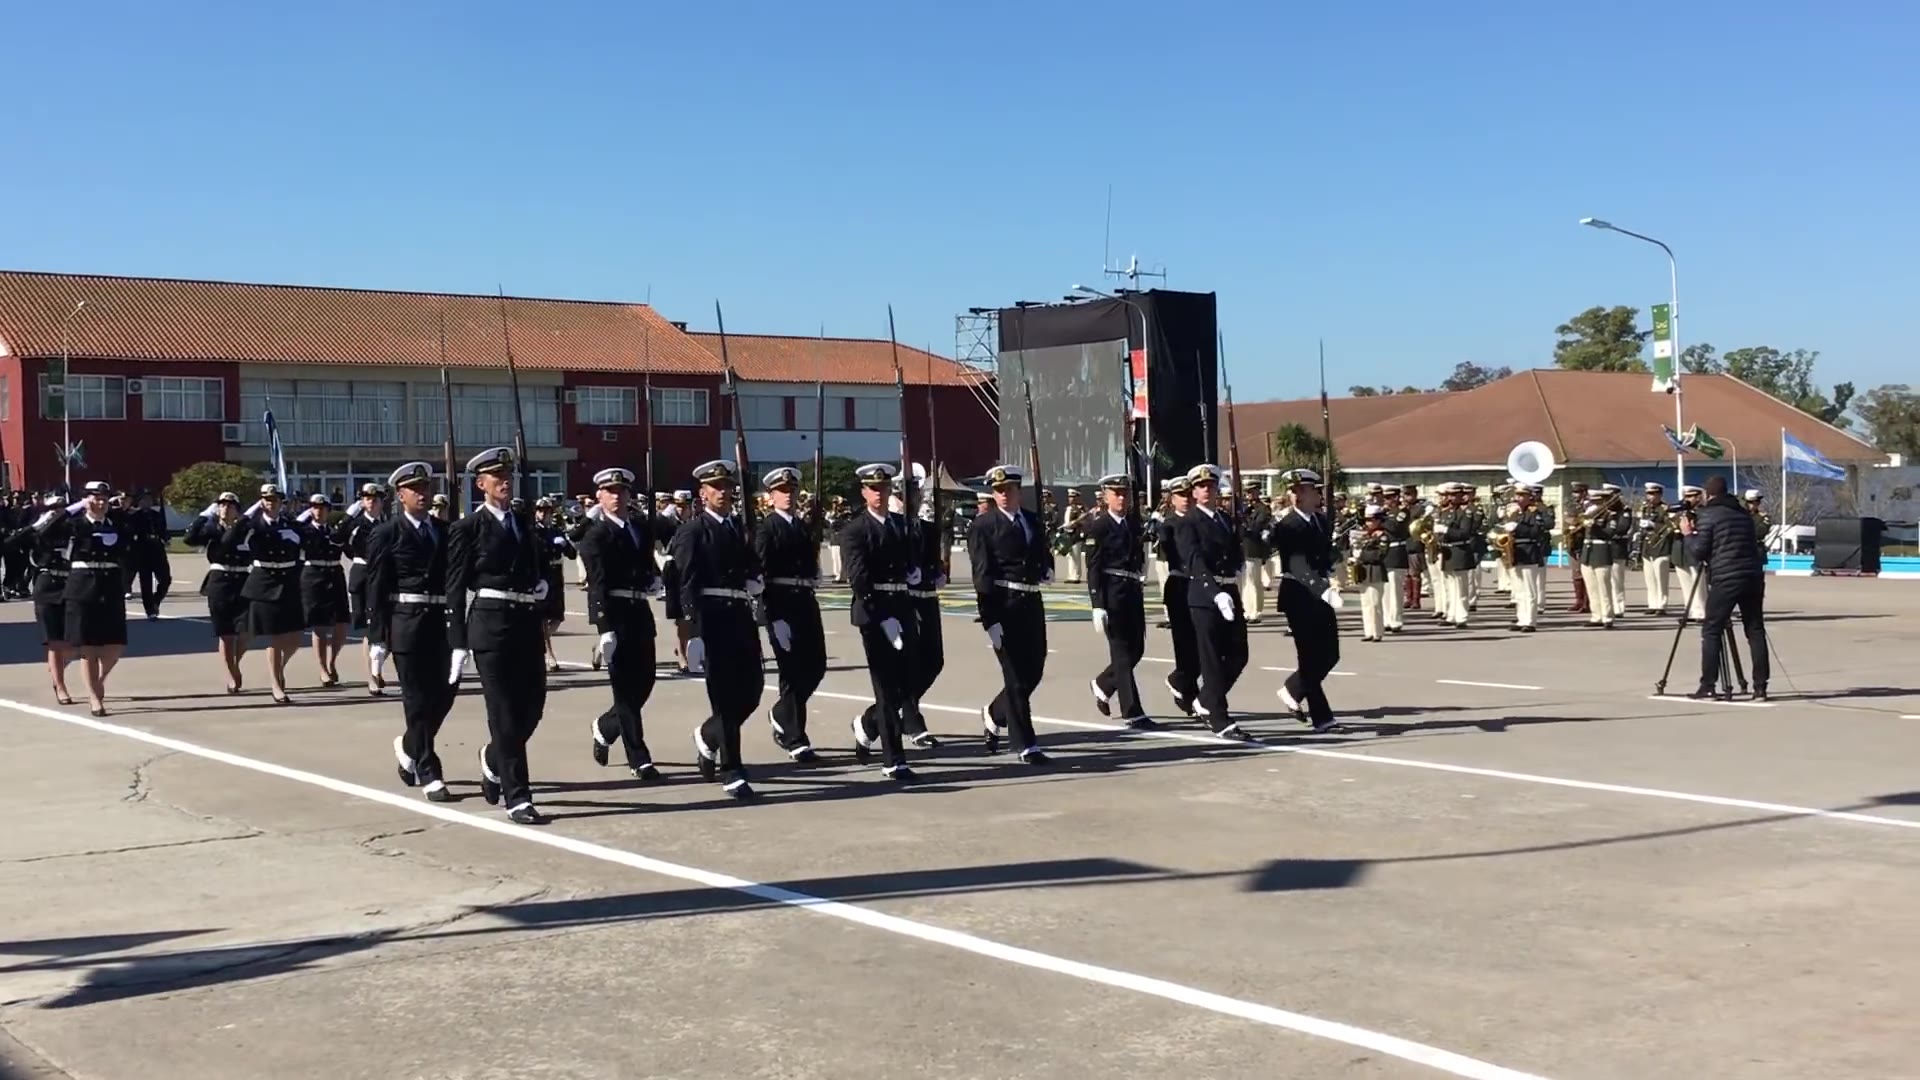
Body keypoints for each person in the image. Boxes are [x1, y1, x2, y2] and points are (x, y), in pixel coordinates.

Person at [446, 447, 551, 824]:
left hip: (525, 622)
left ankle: (493, 759)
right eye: (497, 477)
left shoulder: (522, 522)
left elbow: (535, 567)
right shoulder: (468, 528)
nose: (505, 482)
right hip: (490, 625)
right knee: (504, 714)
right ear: (481, 485)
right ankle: (519, 797)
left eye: (508, 476)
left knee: (533, 707)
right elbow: (455, 587)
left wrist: (540, 584)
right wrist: (457, 641)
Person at [671, 460, 765, 799]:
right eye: (716, 487)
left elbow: (751, 563)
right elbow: (685, 583)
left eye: (727, 487)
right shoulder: (694, 531)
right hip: (712, 619)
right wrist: (692, 631)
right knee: (724, 698)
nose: (723, 492)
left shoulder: (738, 527)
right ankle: (732, 769)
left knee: (753, 689)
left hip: (741, 615)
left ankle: (710, 736)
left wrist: (755, 578)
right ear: (703, 493)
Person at [365, 462, 457, 803]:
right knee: (417, 700)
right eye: (415, 488)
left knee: (446, 694)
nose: (422, 493)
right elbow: (375, 585)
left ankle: (408, 744)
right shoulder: (387, 532)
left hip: (440, 622)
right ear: (400, 495)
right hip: (406, 621)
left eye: (426, 487)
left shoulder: (445, 531)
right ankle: (429, 768)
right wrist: (377, 636)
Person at [578, 467, 669, 781]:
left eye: (622, 491)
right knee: (625, 693)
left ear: (630, 495)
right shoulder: (596, 535)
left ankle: (605, 726)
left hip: (639, 611)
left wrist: (655, 579)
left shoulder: (640, 529)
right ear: (599, 496)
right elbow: (597, 584)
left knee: (645, 684)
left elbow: (646, 563)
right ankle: (638, 758)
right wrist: (603, 627)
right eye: (610, 491)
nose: (617, 496)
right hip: (615, 611)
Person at [967, 464, 1052, 764]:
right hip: (1004, 603)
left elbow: (1042, 551)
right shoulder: (983, 525)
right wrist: (989, 619)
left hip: (1031, 603)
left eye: (1008, 490)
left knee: (1035, 671)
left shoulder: (1031, 519)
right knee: (1015, 677)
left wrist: (1048, 566)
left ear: (1018, 491)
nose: (1003, 495)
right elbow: (982, 575)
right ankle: (1025, 743)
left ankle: (994, 712)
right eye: (998, 491)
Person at [844, 462, 921, 781]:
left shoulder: (902, 525)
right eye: (873, 488)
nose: (879, 493)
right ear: (864, 492)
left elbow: (911, 559)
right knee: (887, 686)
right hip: (874, 612)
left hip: (902, 606)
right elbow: (859, 578)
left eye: (884, 488)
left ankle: (868, 724)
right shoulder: (855, 530)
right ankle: (894, 758)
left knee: (909, 682)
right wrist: (883, 616)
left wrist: (915, 572)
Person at [1175, 464, 1253, 740]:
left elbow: (1233, 551)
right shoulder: (1188, 521)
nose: (1206, 490)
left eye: (1210, 485)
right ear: (1193, 492)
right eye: (1201, 486)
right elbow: (1194, 560)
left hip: (1229, 591)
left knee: (1239, 655)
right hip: (1205, 596)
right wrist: (1214, 591)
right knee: (1211, 660)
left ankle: (1206, 699)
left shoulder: (1224, 519)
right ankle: (1219, 717)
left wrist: (1239, 563)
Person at [756, 466, 826, 764]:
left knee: (817, 667)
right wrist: (772, 615)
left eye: (792, 491)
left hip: (805, 601)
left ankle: (781, 712)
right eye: (782, 491)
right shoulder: (767, 528)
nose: (788, 496)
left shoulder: (801, 526)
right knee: (793, 672)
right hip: (781, 603)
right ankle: (795, 736)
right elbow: (760, 573)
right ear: (770, 497)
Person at [1679, 475, 1770, 701]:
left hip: (1726, 576)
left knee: (1712, 629)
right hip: (1752, 575)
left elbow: (1700, 551)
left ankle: (1708, 684)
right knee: (1755, 630)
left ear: (1708, 495)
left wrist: (1688, 534)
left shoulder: (1709, 515)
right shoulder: (1744, 514)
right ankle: (1760, 687)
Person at [47, 482, 132, 716]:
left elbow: (133, 534)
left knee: (116, 645)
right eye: (95, 498)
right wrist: (74, 508)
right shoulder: (73, 524)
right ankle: (94, 697)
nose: (101, 502)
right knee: (89, 647)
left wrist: (118, 509)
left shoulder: (116, 524)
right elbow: (49, 530)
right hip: (83, 585)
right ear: (86, 500)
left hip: (110, 584)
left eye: (105, 498)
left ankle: (98, 680)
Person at [1268, 469, 1340, 733]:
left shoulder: (1320, 520)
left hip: (1319, 591)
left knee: (1331, 654)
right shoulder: (1289, 525)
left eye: (1302, 490)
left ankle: (1292, 689)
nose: (1297, 495)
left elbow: (1322, 550)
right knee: (1309, 657)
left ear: (1315, 493)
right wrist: (1320, 586)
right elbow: (1297, 563)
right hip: (1299, 592)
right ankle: (1323, 718)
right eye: (1293, 491)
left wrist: (1333, 560)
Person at [1084, 473, 1153, 729]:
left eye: (1125, 493)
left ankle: (1103, 683)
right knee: (1123, 654)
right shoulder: (1099, 526)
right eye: (1116, 493)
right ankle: (1132, 711)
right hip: (1112, 593)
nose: (1122, 498)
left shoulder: (1133, 525)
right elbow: (1092, 567)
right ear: (1106, 497)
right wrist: (1097, 604)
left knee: (1137, 650)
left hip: (1132, 591)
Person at [230, 484, 305, 704]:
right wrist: (248, 514)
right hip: (264, 582)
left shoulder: (290, 523)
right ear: (261, 501)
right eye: (266, 499)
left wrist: (298, 535)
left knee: (295, 637)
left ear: (281, 503)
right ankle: (276, 682)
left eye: (274, 500)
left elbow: (311, 540)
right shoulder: (253, 525)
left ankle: (278, 667)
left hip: (288, 581)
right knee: (274, 636)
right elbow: (232, 537)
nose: (270, 503)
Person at [185, 492, 252, 692]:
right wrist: (203, 515)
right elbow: (190, 538)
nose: (225, 508)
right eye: (221, 505)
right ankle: (231, 673)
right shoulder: (211, 529)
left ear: (237, 510)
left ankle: (234, 663)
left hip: (243, 579)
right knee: (226, 634)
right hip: (220, 581)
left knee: (247, 631)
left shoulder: (245, 529)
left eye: (230, 505)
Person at [14, 494, 76, 704]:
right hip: (47, 583)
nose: (57, 511)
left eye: (61, 507)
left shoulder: (73, 528)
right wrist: (38, 526)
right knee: (54, 642)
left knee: (73, 642)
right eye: (53, 508)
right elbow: (11, 542)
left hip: (71, 584)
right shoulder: (38, 532)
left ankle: (58, 664)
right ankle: (60, 686)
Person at [336, 482, 388, 694]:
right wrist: (348, 516)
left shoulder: (388, 523)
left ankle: (378, 667)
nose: (371, 501)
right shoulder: (356, 524)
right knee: (369, 629)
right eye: (366, 498)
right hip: (364, 576)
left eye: (375, 498)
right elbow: (338, 539)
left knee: (386, 628)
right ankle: (372, 677)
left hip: (383, 578)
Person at [297, 494, 351, 687]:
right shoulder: (305, 530)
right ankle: (322, 668)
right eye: (314, 507)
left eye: (322, 507)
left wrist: (346, 535)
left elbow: (350, 552)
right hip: (314, 575)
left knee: (341, 623)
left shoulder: (335, 530)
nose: (318, 510)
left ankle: (332, 661)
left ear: (328, 510)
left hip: (335, 573)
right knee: (320, 626)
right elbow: (310, 544)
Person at [1157, 476, 1200, 716]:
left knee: (1202, 645)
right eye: (1181, 496)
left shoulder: (1200, 520)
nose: (1186, 499)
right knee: (1185, 644)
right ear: (1172, 499)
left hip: (1200, 585)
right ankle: (1186, 688)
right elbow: (1171, 552)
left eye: (1188, 495)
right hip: (1180, 585)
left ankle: (1181, 682)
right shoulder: (1169, 524)